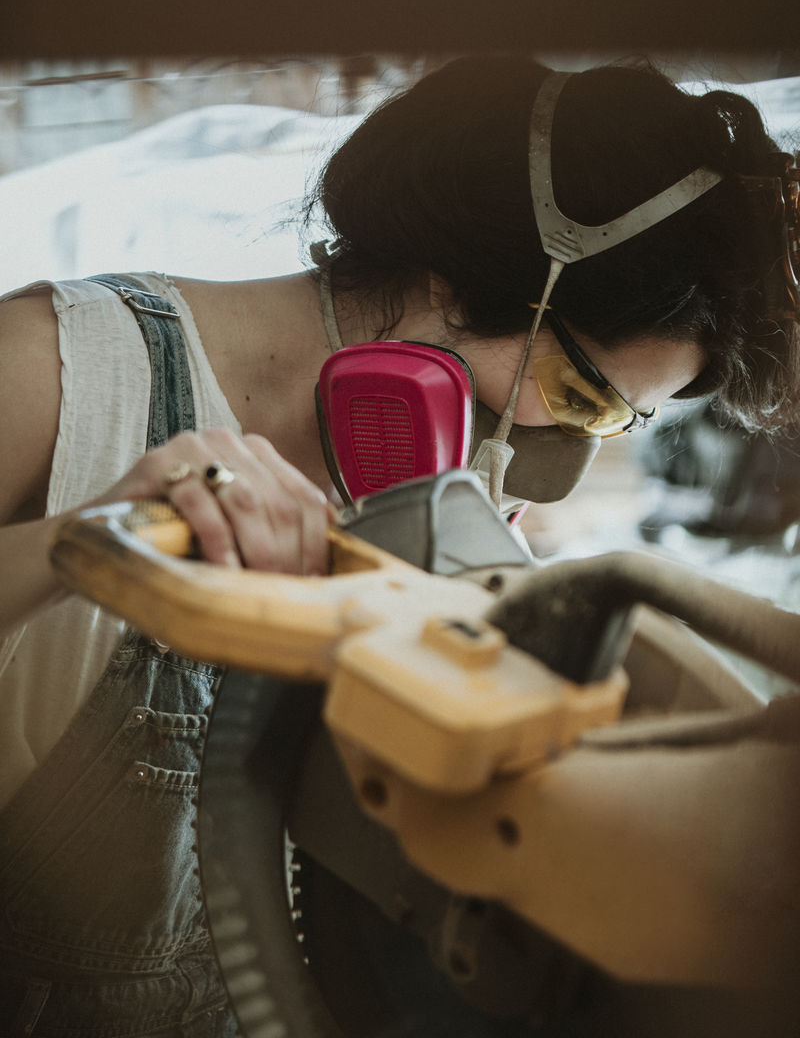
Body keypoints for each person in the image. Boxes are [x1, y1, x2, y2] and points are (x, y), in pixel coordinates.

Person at [0, 54, 796, 1036]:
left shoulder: (451, 486)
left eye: (609, 424)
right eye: (581, 394)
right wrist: (85, 538)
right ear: (452, 273)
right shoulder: (53, 372)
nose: (559, 451)